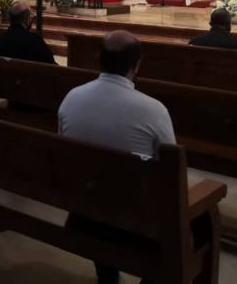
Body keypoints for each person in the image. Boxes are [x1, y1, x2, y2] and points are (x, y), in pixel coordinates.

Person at [58, 31, 175, 284]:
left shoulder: (71, 98)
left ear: (99, 59)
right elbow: (169, 173)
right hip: (135, 220)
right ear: (137, 66)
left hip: (82, 211)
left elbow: (64, 151)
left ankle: (107, 275)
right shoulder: (154, 110)